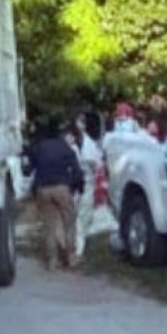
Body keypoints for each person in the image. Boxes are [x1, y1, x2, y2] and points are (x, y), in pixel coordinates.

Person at [22, 121, 84, 270]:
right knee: (69, 222)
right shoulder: (66, 148)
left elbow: (28, 170)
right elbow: (76, 171)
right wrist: (78, 187)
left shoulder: (38, 148)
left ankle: (52, 261)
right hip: (62, 188)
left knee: (49, 225)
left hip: (42, 189)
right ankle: (70, 257)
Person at [68, 112, 105, 264]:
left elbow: (96, 165)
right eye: (79, 121)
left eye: (82, 121)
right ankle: (76, 249)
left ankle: (77, 250)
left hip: (86, 184)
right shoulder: (74, 143)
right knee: (76, 217)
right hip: (75, 185)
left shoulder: (88, 144)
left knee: (82, 216)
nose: (80, 124)